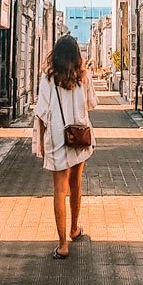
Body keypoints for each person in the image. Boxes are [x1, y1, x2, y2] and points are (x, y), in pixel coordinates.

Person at [33, 35, 97, 259]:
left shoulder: (48, 78)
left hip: (57, 138)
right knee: (76, 184)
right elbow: (91, 104)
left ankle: (62, 245)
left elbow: (41, 111)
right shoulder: (83, 77)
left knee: (59, 190)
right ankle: (74, 228)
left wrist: (40, 140)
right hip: (78, 136)